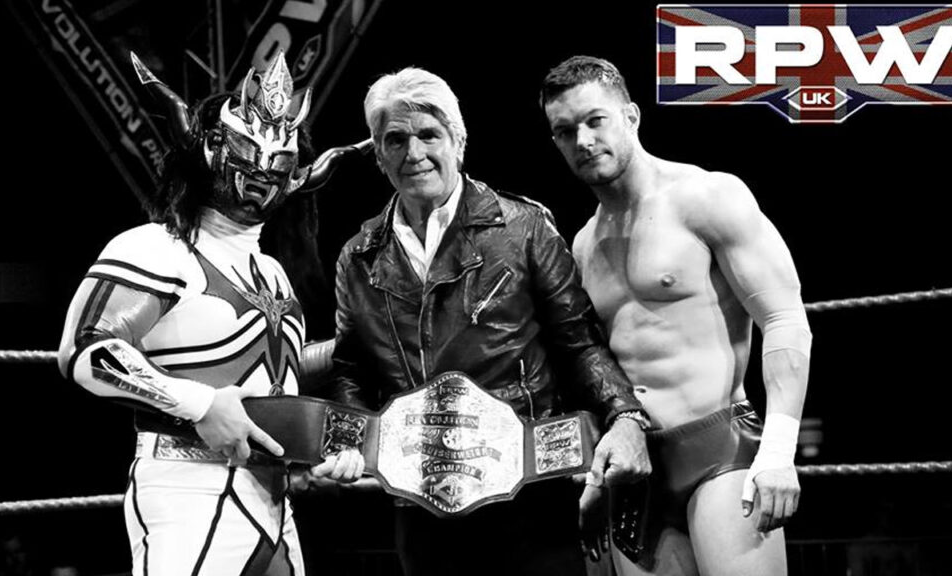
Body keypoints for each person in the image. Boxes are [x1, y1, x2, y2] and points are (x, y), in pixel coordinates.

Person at [328, 66, 652, 576]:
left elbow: (578, 341)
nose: (414, 154)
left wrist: (626, 417)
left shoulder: (523, 227)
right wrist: (350, 437)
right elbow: (351, 368)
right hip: (419, 501)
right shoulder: (359, 256)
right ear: (378, 154)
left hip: (529, 493)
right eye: (396, 140)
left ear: (457, 141)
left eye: (428, 135)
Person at [57, 52, 363, 576]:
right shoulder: (157, 247)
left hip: (274, 498)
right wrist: (200, 404)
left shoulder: (274, 273)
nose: (260, 177)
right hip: (186, 487)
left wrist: (332, 443)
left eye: (276, 162)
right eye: (247, 155)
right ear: (208, 150)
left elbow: (276, 389)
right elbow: (87, 351)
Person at [541, 56, 812, 576]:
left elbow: (785, 319)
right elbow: (600, 367)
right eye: (565, 130)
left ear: (631, 116)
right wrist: (598, 477)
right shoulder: (581, 246)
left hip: (717, 448)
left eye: (595, 120)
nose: (583, 140)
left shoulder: (705, 196)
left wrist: (779, 450)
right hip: (637, 472)